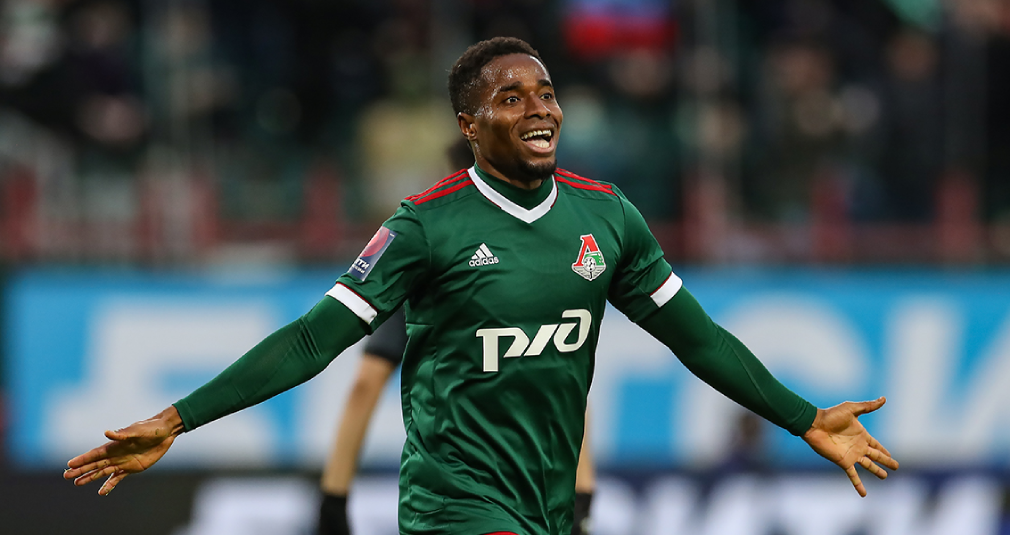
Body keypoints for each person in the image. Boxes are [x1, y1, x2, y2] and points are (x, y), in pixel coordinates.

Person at [64, 37, 898, 535]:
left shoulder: (607, 216)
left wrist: (804, 417)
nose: (540, 109)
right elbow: (315, 339)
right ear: (470, 125)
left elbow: (700, 339)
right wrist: (177, 418)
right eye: (511, 97)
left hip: (548, 504)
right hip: (454, 504)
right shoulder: (424, 227)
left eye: (546, 92)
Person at [317, 142, 597, 535]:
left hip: (462, 492)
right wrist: (583, 487)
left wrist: (334, 494)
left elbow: (367, 383)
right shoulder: (548, 262)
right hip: (547, 489)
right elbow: (565, 381)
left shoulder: (429, 258)